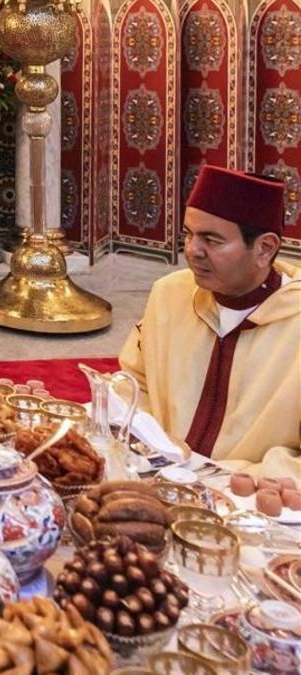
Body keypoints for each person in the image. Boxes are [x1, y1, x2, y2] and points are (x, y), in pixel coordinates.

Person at [120, 166, 299, 478]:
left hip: (254, 503)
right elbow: (133, 383)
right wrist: (151, 447)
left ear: (264, 248)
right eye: (188, 234)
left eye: (211, 240)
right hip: (155, 478)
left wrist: (229, 478)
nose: (191, 251)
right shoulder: (170, 295)